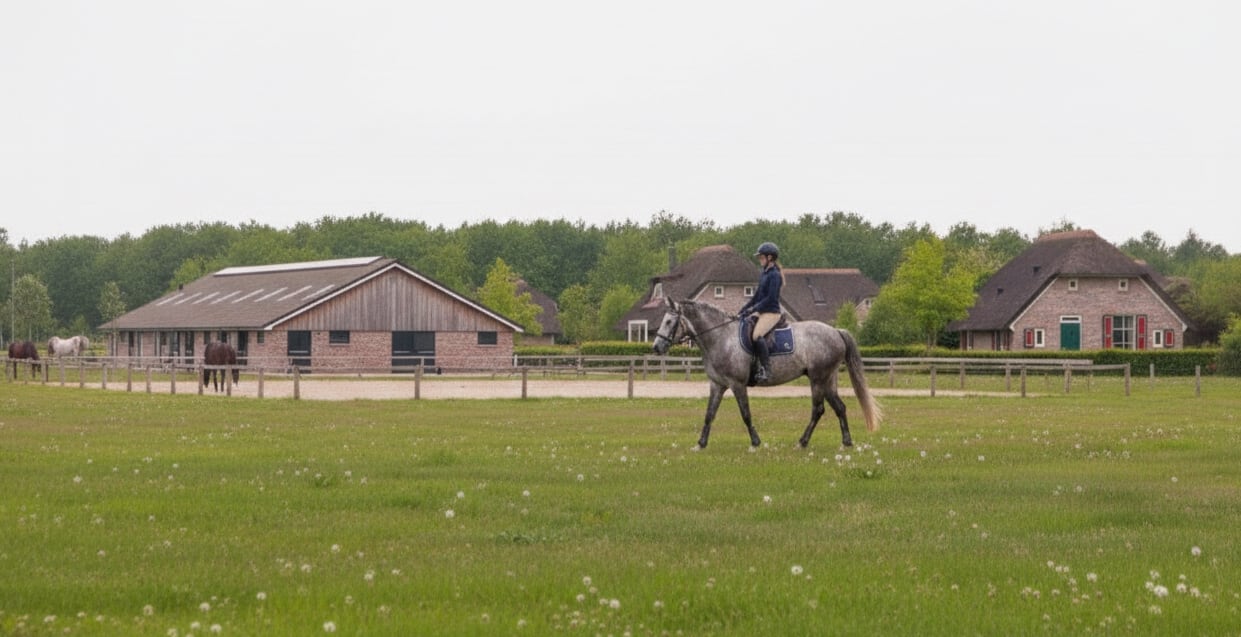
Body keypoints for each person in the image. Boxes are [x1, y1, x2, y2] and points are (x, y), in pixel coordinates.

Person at [737, 241, 784, 382]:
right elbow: (757, 296)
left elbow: (770, 298)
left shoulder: (775, 275)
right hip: (762, 311)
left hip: (771, 312)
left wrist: (753, 309)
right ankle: (752, 365)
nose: (759, 259)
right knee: (744, 325)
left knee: (757, 335)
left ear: (770, 257)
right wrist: (743, 310)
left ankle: (766, 369)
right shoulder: (764, 273)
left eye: (761, 257)